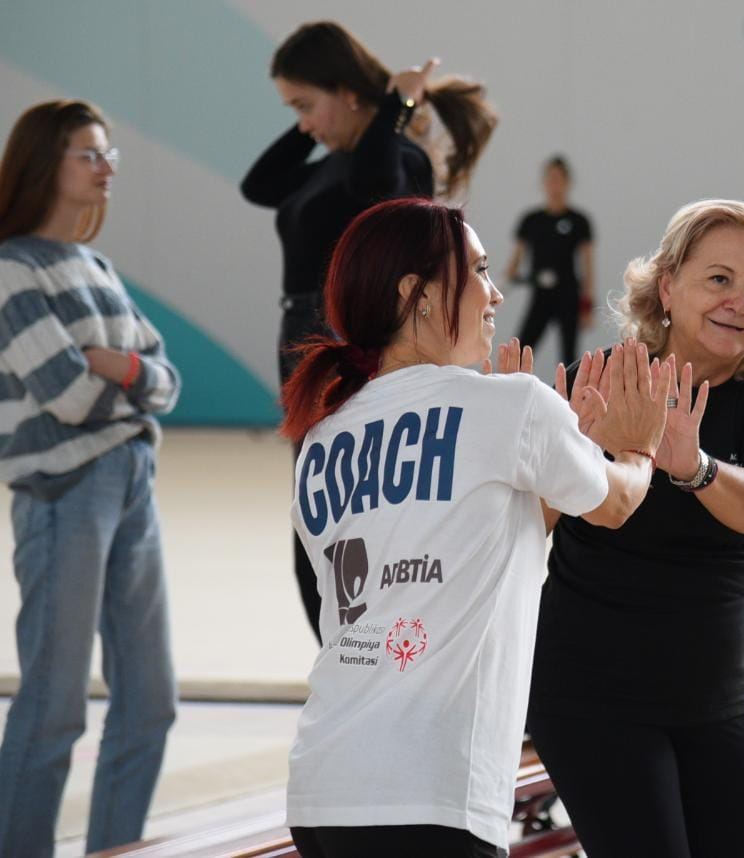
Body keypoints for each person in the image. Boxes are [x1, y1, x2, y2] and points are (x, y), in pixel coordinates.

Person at [278, 197, 671, 858]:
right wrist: (637, 449)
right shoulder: (508, 404)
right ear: (419, 294)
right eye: (479, 270)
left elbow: (484, 549)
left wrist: (543, 461)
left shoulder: (321, 438)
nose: (494, 293)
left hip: (322, 790)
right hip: (430, 795)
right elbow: (616, 503)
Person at [527, 199, 744, 858]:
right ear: (667, 286)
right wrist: (571, 459)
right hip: (590, 697)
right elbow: (527, 528)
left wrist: (694, 466)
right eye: (719, 279)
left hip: (717, 696)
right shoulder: (603, 382)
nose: (739, 301)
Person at [0, 99, 181, 858]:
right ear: (45, 166)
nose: (106, 166)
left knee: (151, 702)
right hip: (64, 494)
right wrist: (125, 373)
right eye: (90, 154)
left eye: (109, 153)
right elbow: (66, 395)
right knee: (54, 709)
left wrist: (113, 364)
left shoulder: (96, 268)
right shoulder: (12, 267)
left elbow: (166, 381)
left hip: (130, 480)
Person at [240, 20, 498, 641]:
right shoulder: (328, 164)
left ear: (348, 92)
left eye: (306, 105)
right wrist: (339, 113)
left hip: (353, 347)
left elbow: (378, 189)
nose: (303, 124)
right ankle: (341, 651)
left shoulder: (398, 158)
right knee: (317, 511)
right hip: (306, 342)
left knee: (353, 508)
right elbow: (260, 185)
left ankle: (367, 646)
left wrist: (395, 107)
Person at [504, 155, 595, 366]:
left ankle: (567, 398)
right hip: (540, 295)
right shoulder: (531, 220)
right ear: (544, 182)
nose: (555, 184)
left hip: (568, 296)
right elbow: (514, 263)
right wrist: (509, 279)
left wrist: (587, 305)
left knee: (569, 357)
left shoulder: (579, 221)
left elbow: (588, 266)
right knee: (521, 350)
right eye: (551, 178)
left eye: (559, 179)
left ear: (568, 182)